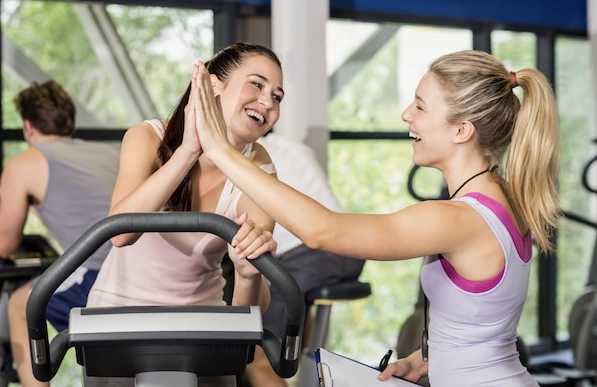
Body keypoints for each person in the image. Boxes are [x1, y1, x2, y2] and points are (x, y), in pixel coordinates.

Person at [191, 49, 560, 387]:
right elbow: (483, 327)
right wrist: (430, 360)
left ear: (462, 130)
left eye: (420, 106)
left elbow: (323, 231)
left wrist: (222, 151)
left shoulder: (458, 218)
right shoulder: (504, 197)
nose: (406, 115)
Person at [84, 42, 283, 387]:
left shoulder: (259, 168)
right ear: (212, 85)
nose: (268, 101)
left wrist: (249, 274)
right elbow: (120, 233)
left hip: (202, 326)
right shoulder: (147, 137)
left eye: (277, 96)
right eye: (256, 84)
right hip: (119, 317)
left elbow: (250, 308)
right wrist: (188, 152)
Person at [0, 80, 120, 387]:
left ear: (27, 127)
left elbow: (1, 245)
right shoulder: (107, 154)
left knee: (22, 305)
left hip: (100, 280)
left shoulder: (25, 163)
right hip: (139, 273)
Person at [240, 131, 365, 387]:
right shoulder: (293, 145)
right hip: (350, 250)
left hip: (308, 254)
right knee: (294, 308)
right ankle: (298, 375)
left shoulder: (248, 156)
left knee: (257, 351)